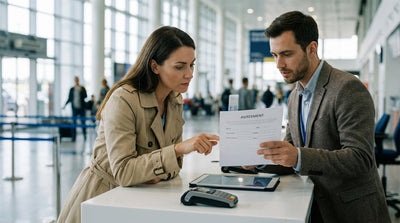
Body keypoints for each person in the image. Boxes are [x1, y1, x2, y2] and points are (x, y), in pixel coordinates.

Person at [57, 26, 219, 223]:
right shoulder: (123, 100)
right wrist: (177, 149)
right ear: (154, 66)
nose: (189, 74)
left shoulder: (175, 99)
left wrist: (148, 169)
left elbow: (173, 168)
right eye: (180, 66)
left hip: (138, 201)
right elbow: (125, 172)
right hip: (101, 200)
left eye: (192, 65)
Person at [246, 11, 390, 222]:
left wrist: (298, 156)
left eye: (286, 54)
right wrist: (258, 160)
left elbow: (360, 158)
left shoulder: (347, 87)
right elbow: (290, 153)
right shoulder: (295, 96)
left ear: (311, 49)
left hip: (351, 211)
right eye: (275, 55)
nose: (278, 64)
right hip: (314, 207)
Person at [63, 76, 88, 141]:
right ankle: (73, 137)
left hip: (81, 108)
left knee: (83, 122)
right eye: (75, 80)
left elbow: (85, 96)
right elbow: (69, 98)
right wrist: (65, 105)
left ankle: (85, 136)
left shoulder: (82, 88)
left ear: (78, 80)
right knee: (73, 123)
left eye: (77, 80)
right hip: (74, 108)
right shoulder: (72, 89)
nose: (76, 81)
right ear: (74, 81)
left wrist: (81, 91)